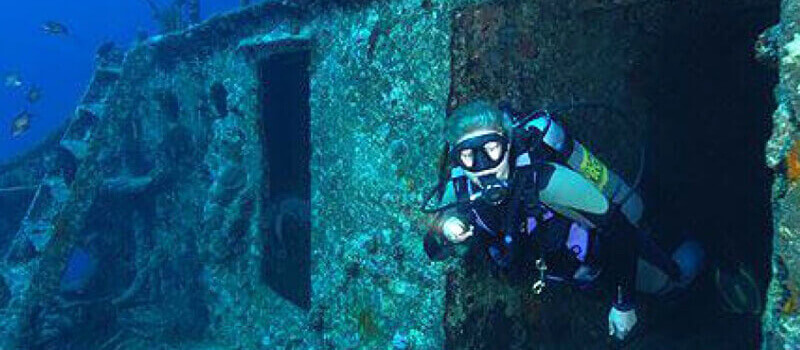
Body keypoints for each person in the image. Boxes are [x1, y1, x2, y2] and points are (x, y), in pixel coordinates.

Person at [421, 100, 705, 341]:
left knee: (666, 283)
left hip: (601, 251)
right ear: (458, 161)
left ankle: (707, 252)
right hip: (565, 267)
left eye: (492, 149)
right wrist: (445, 228)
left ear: (507, 144)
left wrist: (624, 302)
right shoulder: (460, 190)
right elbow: (433, 248)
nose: (483, 167)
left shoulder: (549, 182)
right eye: (469, 156)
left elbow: (620, 231)